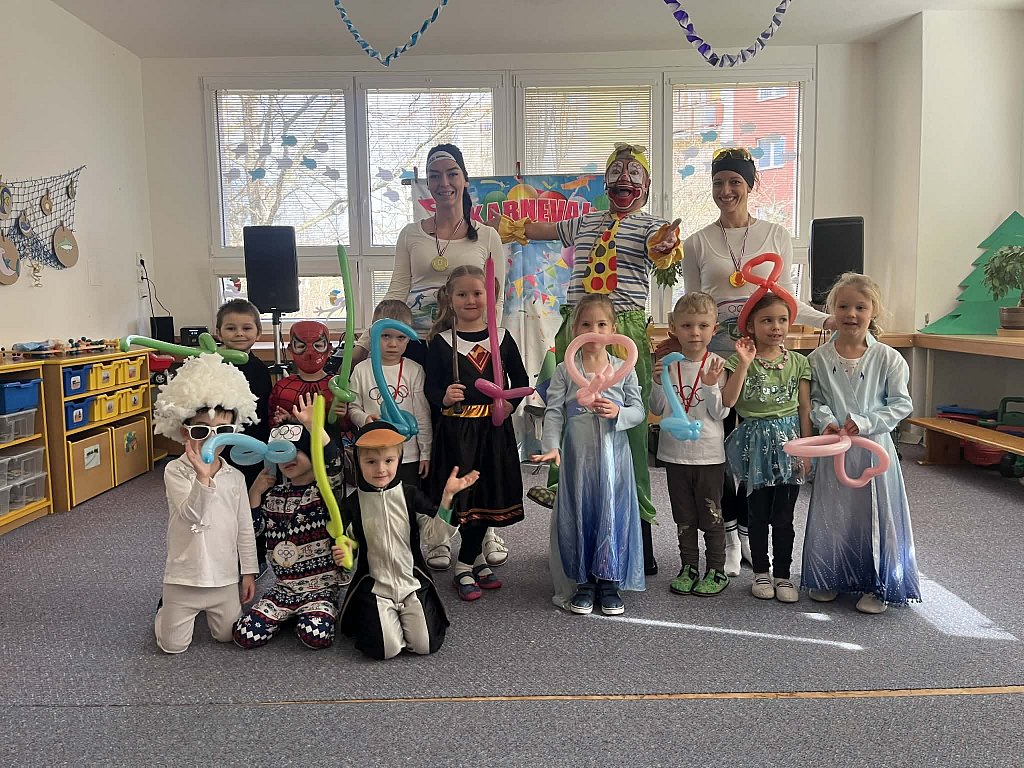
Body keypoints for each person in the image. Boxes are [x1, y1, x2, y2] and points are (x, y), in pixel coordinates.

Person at [493, 142, 681, 576]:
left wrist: (666, 244)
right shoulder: (585, 221)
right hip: (577, 326)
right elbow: (540, 230)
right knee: (568, 413)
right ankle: (567, 505)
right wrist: (509, 225)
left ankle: (638, 531)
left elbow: (661, 248)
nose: (624, 181)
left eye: (633, 175)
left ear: (646, 185)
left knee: (627, 428)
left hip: (622, 330)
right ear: (605, 182)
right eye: (616, 174)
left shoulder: (651, 226)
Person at [671, 146, 832, 576]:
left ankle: (748, 531)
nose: (726, 190)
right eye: (719, 183)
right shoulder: (697, 242)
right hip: (720, 361)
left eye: (735, 182)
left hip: (764, 360)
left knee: (761, 450)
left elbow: (785, 298)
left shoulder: (775, 234)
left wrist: (826, 319)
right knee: (721, 454)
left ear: (750, 185)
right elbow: (694, 303)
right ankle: (727, 533)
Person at [355, 143, 507, 570]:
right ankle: (437, 531)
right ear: (427, 182)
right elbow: (396, 292)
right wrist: (364, 346)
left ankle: (483, 525)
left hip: (468, 349)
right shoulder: (411, 233)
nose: (444, 182)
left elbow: (495, 299)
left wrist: (492, 349)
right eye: (435, 174)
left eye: (451, 173)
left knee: (472, 437)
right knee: (433, 441)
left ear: (464, 179)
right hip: (419, 348)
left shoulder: (487, 236)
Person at [802, 273, 920, 613]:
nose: (851, 314)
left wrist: (866, 422)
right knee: (835, 511)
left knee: (874, 513)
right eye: (843, 306)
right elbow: (815, 401)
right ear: (832, 310)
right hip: (836, 449)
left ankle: (876, 584)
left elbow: (901, 404)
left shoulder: (888, 358)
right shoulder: (818, 359)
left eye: (860, 307)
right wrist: (826, 419)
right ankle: (831, 577)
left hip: (873, 451)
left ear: (873, 311)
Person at [532, 294, 646, 615]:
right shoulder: (564, 371)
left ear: (613, 330)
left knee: (611, 511)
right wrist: (551, 445)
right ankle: (583, 582)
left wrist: (619, 412)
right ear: (575, 329)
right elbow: (554, 411)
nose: (593, 331)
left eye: (601, 324)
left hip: (614, 459)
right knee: (580, 511)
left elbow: (638, 410)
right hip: (578, 458)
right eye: (586, 324)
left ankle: (609, 582)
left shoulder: (624, 369)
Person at [423, 265, 529, 601]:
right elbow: (430, 389)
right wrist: (444, 397)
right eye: (462, 294)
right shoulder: (441, 342)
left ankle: (472, 560)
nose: (471, 299)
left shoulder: (502, 338)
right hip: (458, 434)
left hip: (493, 433)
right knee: (466, 498)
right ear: (449, 298)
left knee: (488, 495)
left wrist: (510, 405)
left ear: (490, 296)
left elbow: (521, 381)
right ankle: (465, 566)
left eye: (477, 293)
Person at [333, 422, 480, 659]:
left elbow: (435, 535)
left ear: (399, 459)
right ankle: (384, 619)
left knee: (425, 645)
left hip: (411, 582)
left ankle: (402, 616)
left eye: (388, 461)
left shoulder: (410, 496)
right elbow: (349, 543)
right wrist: (346, 552)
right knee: (385, 649)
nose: (381, 469)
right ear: (358, 462)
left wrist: (447, 498)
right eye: (371, 462)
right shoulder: (352, 504)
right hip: (375, 585)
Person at [151, 354, 260, 654]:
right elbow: (191, 515)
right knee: (173, 646)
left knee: (228, 636)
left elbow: (244, 527)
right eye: (201, 431)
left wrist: (248, 571)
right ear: (184, 432)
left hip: (223, 578)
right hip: (184, 578)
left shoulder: (235, 477)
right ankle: (165, 613)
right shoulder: (176, 471)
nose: (212, 439)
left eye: (221, 431)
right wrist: (203, 478)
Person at [233, 394, 347, 649]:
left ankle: (314, 613)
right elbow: (255, 531)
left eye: (297, 451)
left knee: (315, 636)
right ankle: (288, 615)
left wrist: (313, 427)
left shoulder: (323, 491)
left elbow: (334, 463)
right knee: (244, 635)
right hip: (283, 589)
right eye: (281, 454)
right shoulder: (274, 495)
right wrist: (254, 495)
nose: (288, 459)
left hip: (319, 589)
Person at [720, 292, 811, 604]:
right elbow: (729, 401)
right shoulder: (737, 361)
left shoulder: (799, 363)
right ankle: (761, 571)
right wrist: (744, 364)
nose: (776, 327)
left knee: (784, 516)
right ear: (751, 326)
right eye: (767, 320)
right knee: (757, 514)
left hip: (789, 445)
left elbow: (804, 409)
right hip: (754, 444)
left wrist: (806, 450)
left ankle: (783, 574)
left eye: (782, 320)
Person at [649, 292, 730, 597]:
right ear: (674, 328)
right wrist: (657, 382)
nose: (695, 332)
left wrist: (709, 386)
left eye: (702, 326)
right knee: (683, 516)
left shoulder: (717, 365)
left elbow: (720, 413)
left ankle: (717, 569)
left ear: (714, 328)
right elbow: (656, 408)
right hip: (675, 454)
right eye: (686, 325)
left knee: (711, 515)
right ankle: (689, 567)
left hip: (708, 455)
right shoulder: (668, 366)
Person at [215, 298, 272, 573]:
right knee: (220, 503)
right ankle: (222, 556)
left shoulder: (259, 369)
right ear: (218, 333)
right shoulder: (211, 365)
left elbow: (264, 411)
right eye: (231, 328)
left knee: (253, 501)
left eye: (247, 328)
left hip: (252, 449)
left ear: (258, 333)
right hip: (219, 447)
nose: (239, 334)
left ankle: (255, 558)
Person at [349, 300, 432, 487]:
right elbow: (353, 408)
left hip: (408, 455)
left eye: (401, 337)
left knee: (408, 500)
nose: (393, 344)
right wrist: (364, 419)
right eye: (385, 336)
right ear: (372, 334)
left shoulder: (414, 370)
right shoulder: (361, 370)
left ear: (409, 337)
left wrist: (426, 452)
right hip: (372, 456)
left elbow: (422, 414)